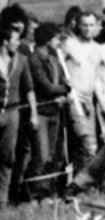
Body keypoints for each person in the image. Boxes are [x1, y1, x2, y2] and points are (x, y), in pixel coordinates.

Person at [28, 22, 69, 191]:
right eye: (56, 39)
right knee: (41, 155)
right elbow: (47, 86)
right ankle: (32, 193)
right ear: (47, 40)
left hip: (55, 111)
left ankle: (46, 192)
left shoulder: (54, 58)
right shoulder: (34, 59)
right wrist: (65, 89)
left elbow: (62, 81)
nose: (59, 42)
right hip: (42, 112)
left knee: (52, 155)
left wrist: (62, 91)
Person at [0, 25, 37, 207]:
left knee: (8, 156)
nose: (18, 43)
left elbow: (29, 89)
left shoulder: (21, 60)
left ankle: (3, 199)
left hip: (12, 112)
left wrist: (34, 114)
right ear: (5, 42)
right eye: (15, 40)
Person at [61, 10, 103, 171]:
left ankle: (84, 183)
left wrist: (103, 105)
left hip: (89, 99)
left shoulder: (97, 48)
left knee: (91, 142)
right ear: (78, 26)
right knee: (86, 141)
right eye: (84, 25)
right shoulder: (70, 44)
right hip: (74, 98)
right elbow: (58, 65)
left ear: (96, 27)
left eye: (91, 25)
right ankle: (82, 184)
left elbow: (96, 78)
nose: (87, 29)